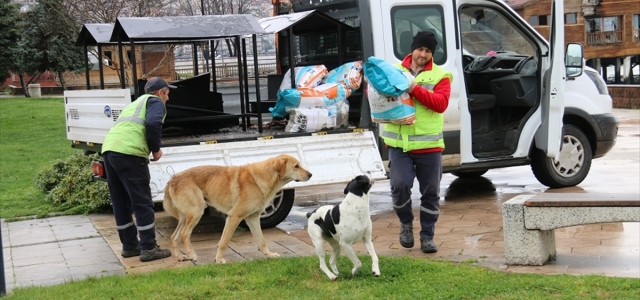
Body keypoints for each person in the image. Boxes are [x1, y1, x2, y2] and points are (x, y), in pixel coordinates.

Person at [381, 31, 452, 253]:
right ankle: (405, 224)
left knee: (430, 193)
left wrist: (413, 88)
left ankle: (427, 235)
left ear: (432, 53)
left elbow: (440, 104)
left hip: (428, 146)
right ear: (412, 49)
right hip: (398, 144)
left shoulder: (441, 75)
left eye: (428, 50)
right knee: (400, 186)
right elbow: (377, 96)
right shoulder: (393, 70)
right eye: (420, 49)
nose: (423, 54)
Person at [101, 77, 176, 262]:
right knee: (142, 202)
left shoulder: (135, 103)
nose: (168, 99)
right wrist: (156, 148)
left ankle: (129, 246)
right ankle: (149, 248)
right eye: (167, 94)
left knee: (121, 202)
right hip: (130, 154)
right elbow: (152, 124)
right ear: (160, 92)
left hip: (109, 151)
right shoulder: (156, 102)